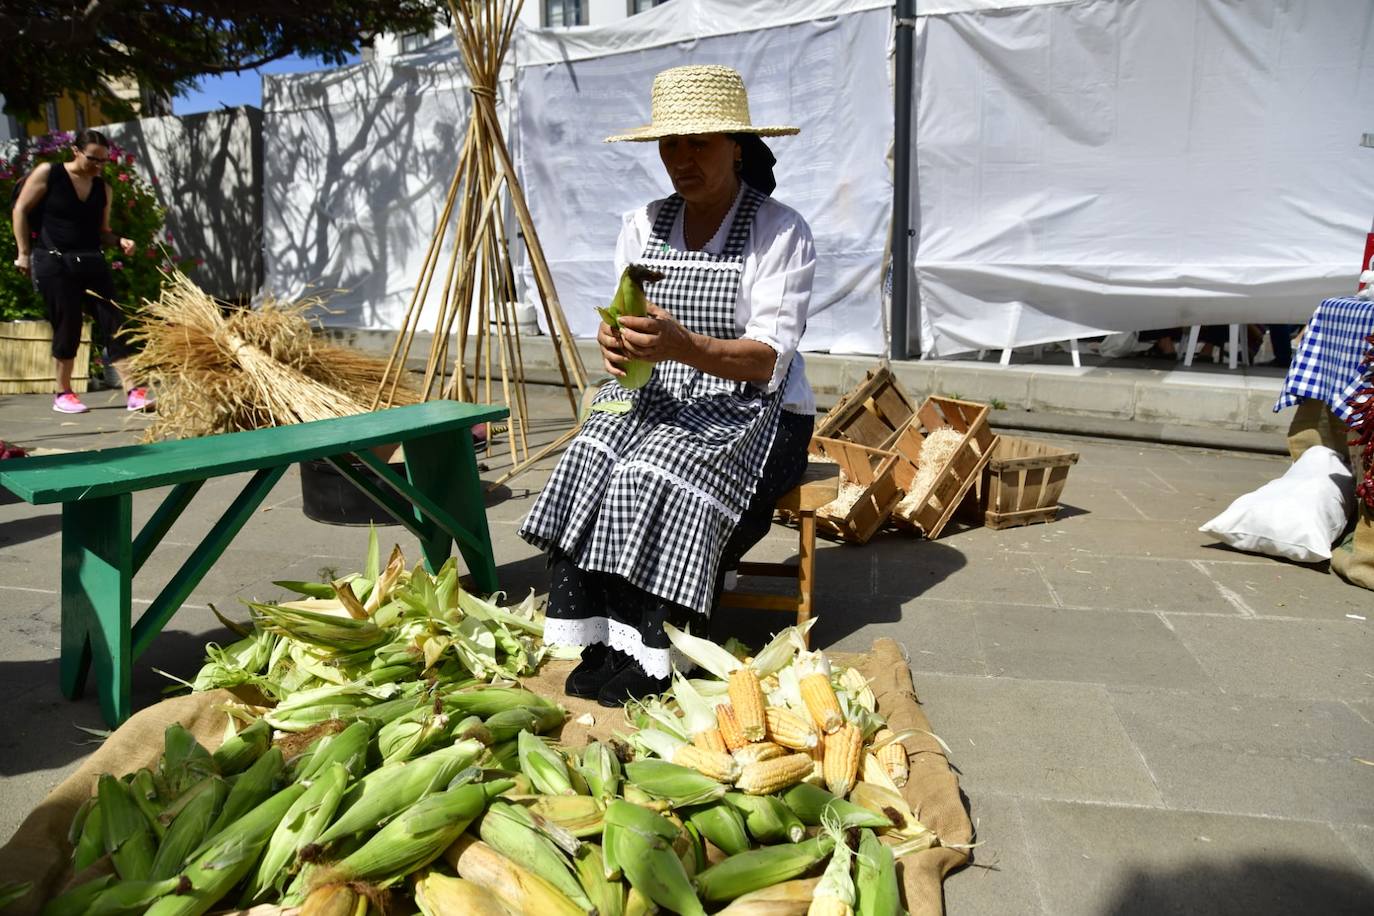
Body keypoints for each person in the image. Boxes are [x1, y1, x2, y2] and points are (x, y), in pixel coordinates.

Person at [519, 65, 816, 706]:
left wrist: (686, 346)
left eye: (699, 143)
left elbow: (768, 359)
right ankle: (604, 636)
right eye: (671, 144)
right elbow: (627, 327)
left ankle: (661, 649)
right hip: (658, 389)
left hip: (757, 407)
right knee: (591, 452)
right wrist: (614, 342)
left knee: (656, 468)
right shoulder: (642, 222)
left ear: (737, 147)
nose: (682, 158)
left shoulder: (779, 230)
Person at [11, 129, 154, 414]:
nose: (98, 166)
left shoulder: (103, 188)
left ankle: (134, 391)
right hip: (54, 261)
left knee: (115, 321)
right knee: (69, 324)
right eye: (93, 159)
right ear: (76, 151)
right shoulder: (49, 173)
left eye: (104, 161)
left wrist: (120, 240)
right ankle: (63, 393)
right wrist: (23, 254)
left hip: (91, 261)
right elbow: (20, 210)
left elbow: (103, 232)